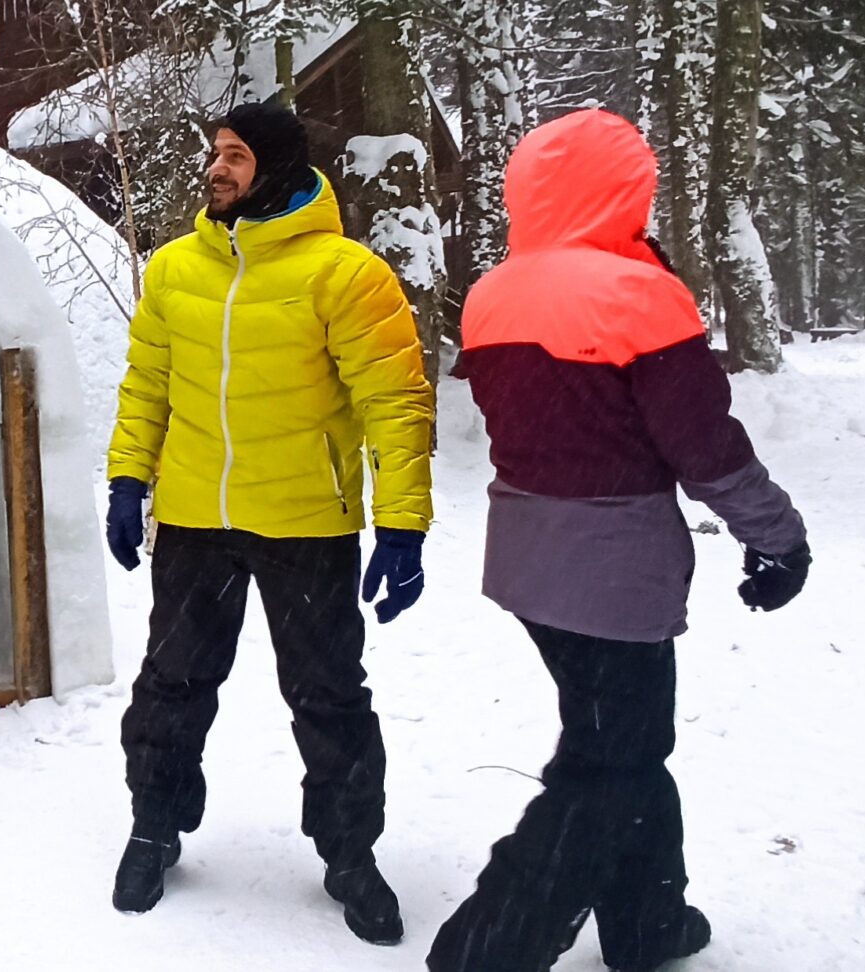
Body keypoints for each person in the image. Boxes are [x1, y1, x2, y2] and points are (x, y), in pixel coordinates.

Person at [425, 109, 812, 972]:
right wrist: (778, 538)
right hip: (614, 569)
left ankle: (648, 925)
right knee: (609, 764)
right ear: (626, 190)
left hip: (527, 559)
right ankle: (484, 951)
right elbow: (705, 450)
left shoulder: (492, 296)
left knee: (624, 747)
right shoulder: (638, 293)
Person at [103, 98, 437, 946]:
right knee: (170, 686)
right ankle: (155, 825)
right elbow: (147, 384)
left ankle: (350, 854)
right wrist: (127, 480)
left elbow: (396, 404)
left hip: (305, 524)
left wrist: (401, 525)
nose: (218, 167)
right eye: (216, 152)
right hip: (194, 519)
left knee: (328, 696)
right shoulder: (176, 268)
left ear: (278, 168)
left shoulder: (346, 273)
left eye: (237, 155)